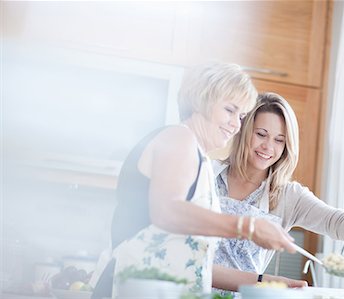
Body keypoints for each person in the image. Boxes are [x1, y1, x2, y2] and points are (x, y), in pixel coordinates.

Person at [91, 64, 299, 298]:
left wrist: (265, 280)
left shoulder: (200, 159)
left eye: (241, 116)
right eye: (229, 110)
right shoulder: (180, 138)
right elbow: (167, 211)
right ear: (202, 101)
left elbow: (195, 259)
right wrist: (248, 227)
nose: (236, 125)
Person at [211, 92, 344, 291]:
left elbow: (337, 223)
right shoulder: (206, 174)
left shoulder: (287, 196)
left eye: (279, 140)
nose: (268, 146)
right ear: (244, 131)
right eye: (261, 134)